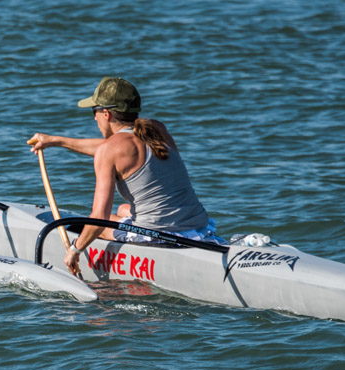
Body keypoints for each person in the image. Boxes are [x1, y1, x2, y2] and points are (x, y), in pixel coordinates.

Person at [27, 76, 221, 276]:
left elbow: (99, 217)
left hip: (159, 235)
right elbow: (112, 148)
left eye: (95, 112)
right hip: (199, 227)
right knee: (123, 209)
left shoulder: (111, 150)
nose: (94, 118)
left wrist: (75, 249)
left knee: (90, 225)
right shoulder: (156, 129)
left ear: (106, 113)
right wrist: (55, 141)